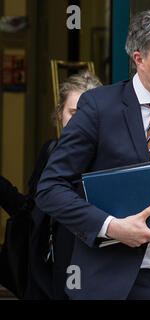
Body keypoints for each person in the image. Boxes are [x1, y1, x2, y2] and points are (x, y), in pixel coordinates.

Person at [35, 5, 150, 300]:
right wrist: (111, 227)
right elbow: (50, 189)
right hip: (113, 284)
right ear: (140, 59)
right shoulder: (98, 107)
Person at [0, 70, 102, 299]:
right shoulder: (50, 152)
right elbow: (30, 212)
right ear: (59, 113)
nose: (80, 122)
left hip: (89, 280)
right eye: (73, 113)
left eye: (88, 114)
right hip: (47, 278)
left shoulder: (110, 159)